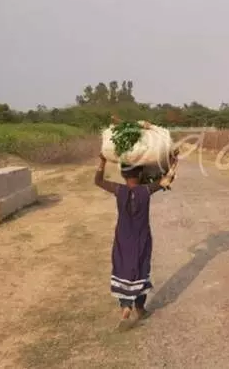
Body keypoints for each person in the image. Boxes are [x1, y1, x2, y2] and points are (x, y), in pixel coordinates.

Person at [95, 121, 178, 331]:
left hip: (123, 238)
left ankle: (125, 308)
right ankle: (140, 308)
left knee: (122, 267)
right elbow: (168, 179)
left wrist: (102, 162)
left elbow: (98, 180)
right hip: (142, 237)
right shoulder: (146, 190)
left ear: (123, 175)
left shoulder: (118, 190)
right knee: (141, 267)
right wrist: (174, 161)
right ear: (141, 175)